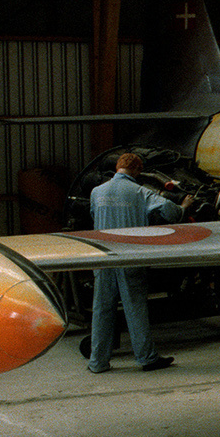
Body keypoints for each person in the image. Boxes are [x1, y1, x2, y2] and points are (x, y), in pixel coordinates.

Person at [87, 153, 193, 373]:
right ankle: (146, 357)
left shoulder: (96, 192)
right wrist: (184, 206)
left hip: (103, 257)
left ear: (118, 168)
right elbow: (171, 213)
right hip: (130, 257)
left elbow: (92, 216)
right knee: (134, 307)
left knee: (102, 309)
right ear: (137, 170)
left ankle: (97, 362)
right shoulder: (140, 192)